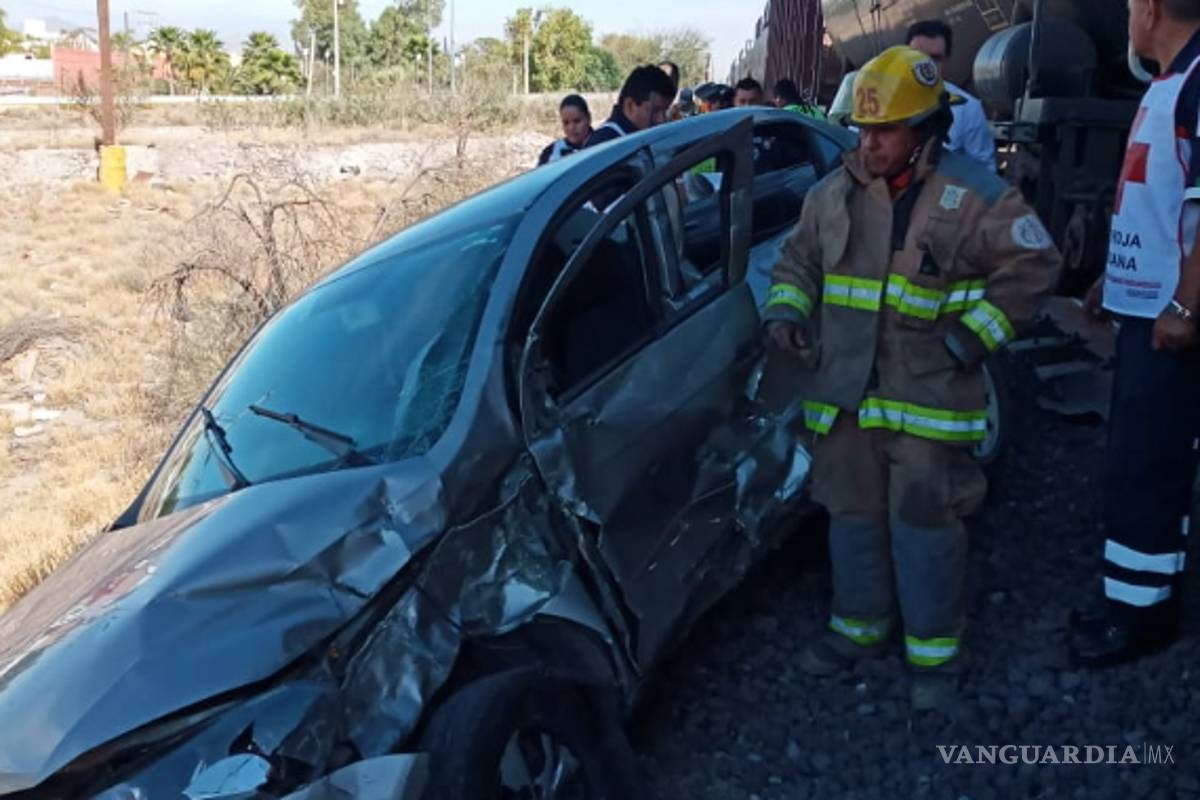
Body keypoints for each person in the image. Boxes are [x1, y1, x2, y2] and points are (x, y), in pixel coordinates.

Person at [763, 46, 1060, 710]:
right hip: (846, 399)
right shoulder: (830, 195)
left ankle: (935, 654)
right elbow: (797, 264)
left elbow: (1035, 267)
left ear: (924, 129)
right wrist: (785, 313)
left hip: (927, 398)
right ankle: (858, 631)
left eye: (885, 130)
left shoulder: (975, 198)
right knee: (851, 518)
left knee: (925, 527)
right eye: (863, 130)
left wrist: (969, 339)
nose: (869, 144)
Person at [1069, 0, 1200, 667]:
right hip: (1146, 309)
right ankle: (1133, 597)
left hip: (1167, 322)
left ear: (1150, 8)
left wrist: (1184, 303)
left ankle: (1141, 616)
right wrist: (1109, 281)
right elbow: (1151, 205)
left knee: (1146, 465)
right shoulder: (1170, 83)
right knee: (1140, 459)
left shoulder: (1197, 80)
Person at [906, 20, 997, 172]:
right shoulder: (880, 101)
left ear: (946, 61)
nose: (926, 65)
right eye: (918, 57)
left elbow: (984, 170)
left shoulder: (968, 108)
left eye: (935, 58)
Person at [585, 65, 676, 148]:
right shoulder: (603, 144)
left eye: (665, 111)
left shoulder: (643, 138)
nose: (662, 120)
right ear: (630, 105)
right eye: (655, 111)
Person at [537, 95, 593, 166]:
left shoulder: (602, 146)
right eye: (566, 123)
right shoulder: (551, 152)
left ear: (589, 118)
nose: (571, 128)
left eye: (577, 121)